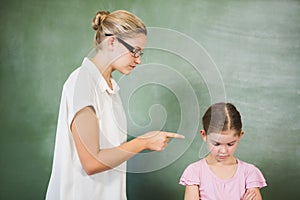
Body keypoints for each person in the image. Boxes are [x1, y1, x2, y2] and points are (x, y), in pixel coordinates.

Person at [46, 10, 184, 200]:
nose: (139, 60)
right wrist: (143, 142)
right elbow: (91, 162)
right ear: (112, 42)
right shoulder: (82, 82)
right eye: (134, 51)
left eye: (141, 53)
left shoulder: (110, 90)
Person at [179, 102, 267, 200]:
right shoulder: (195, 172)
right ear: (204, 135)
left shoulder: (249, 173)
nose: (223, 151)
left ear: (240, 136)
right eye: (216, 144)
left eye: (230, 144)